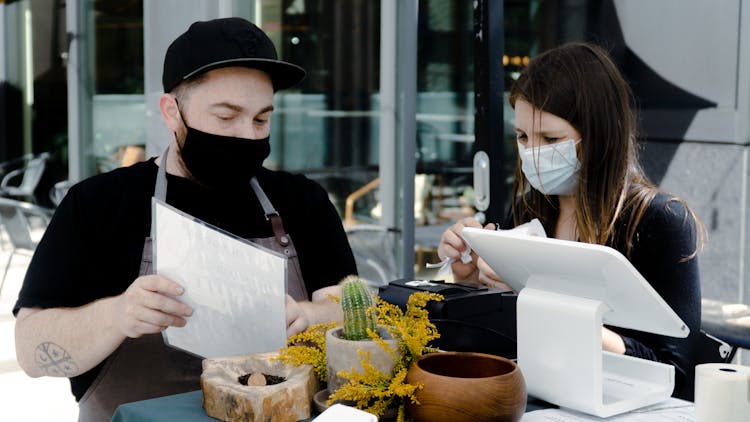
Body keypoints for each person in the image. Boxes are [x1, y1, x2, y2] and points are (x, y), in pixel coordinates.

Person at [13, 17, 357, 420]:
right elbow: (32, 351)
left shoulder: (301, 200)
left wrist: (310, 316)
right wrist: (119, 315)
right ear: (172, 112)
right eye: (226, 117)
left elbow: (346, 304)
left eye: (261, 119)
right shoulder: (98, 204)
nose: (248, 136)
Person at [438, 42, 702, 399]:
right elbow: (498, 348)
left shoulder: (660, 222)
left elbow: (676, 374)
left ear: (599, 134)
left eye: (550, 138)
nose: (532, 152)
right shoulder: (530, 211)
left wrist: (563, 311)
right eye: (522, 137)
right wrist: (469, 284)